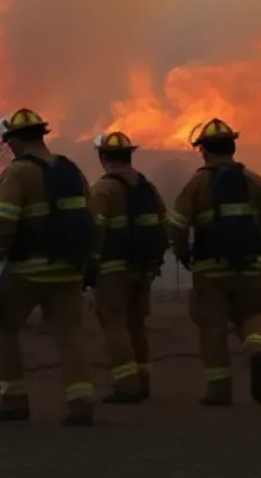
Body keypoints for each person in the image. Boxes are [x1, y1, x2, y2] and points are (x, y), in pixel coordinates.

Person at [0, 108, 96, 426]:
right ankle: (81, 403)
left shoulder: (18, 172)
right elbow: (91, 219)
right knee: (69, 333)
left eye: (9, 141)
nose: (9, 147)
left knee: (1, 328)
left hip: (26, 271)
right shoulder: (71, 170)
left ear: (15, 139)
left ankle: (14, 400)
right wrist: (89, 261)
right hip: (69, 269)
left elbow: (5, 221)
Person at [167, 118, 261, 407]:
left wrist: (185, 257)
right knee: (254, 316)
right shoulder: (255, 182)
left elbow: (177, 225)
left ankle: (219, 390)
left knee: (212, 326)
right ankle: (258, 352)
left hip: (210, 268)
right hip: (249, 266)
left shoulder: (197, 183)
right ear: (232, 147)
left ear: (204, 151)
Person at [87, 130, 168, 403]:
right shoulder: (148, 186)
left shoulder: (102, 189)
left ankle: (126, 385)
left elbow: (94, 231)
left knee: (114, 324)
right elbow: (163, 224)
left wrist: (88, 265)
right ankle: (143, 382)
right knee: (136, 324)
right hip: (143, 267)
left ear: (103, 157)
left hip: (112, 268)